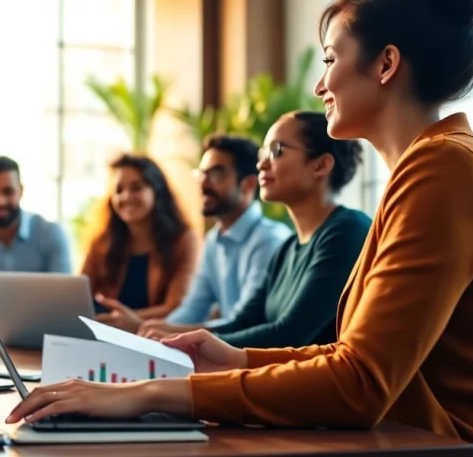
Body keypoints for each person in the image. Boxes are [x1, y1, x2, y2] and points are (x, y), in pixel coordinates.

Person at [6, 0, 473, 457]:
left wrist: (152, 393)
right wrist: (237, 358)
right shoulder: (427, 170)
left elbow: (360, 384)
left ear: (386, 64)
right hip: (402, 439)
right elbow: (358, 359)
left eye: (330, 59)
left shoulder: (445, 173)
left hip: (450, 455)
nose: (320, 85)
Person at [141, 112, 370, 347]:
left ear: (321, 165)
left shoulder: (346, 231)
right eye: (263, 154)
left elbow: (289, 334)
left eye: (276, 151)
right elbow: (244, 323)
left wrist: (195, 344)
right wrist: (171, 333)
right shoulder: (287, 249)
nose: (261, 164)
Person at [140, 135, 291, 331]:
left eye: (216, 174)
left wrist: (168, 331)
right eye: (202, 174)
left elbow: (246, 322)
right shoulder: (213, 240)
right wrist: (154, 329)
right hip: (225, 350)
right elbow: (194, 308)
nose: (203, 183)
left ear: (249, 184)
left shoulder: (269, 240)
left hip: (254, 356)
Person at [78, 154, 199, 333]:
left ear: (157, 191)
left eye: (136, 188)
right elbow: (80, 296)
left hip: (156, 340)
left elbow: (176, 307)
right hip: (104, 337)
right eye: (118, 190)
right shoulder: (102, 242)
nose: (126, 197)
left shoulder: (184, 240)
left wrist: (129, 321)